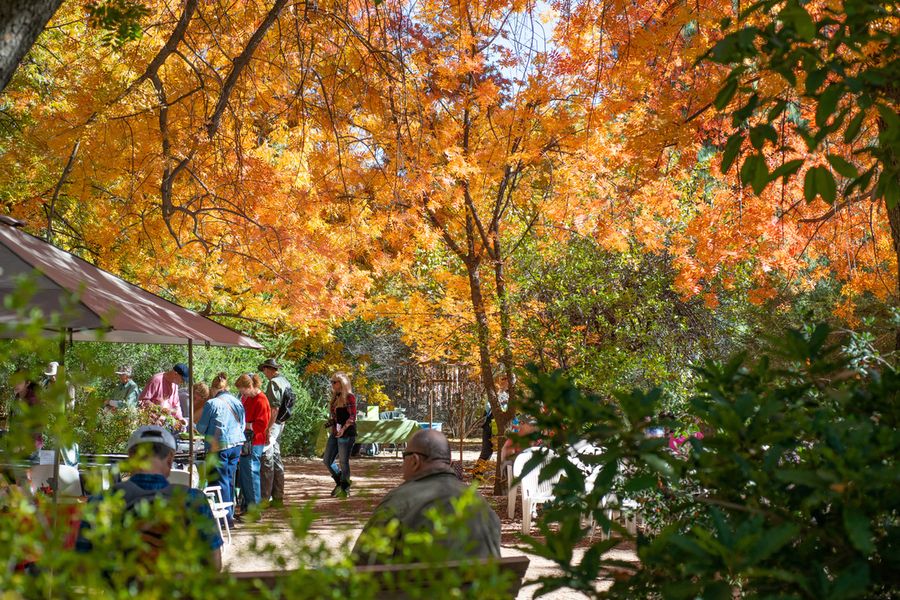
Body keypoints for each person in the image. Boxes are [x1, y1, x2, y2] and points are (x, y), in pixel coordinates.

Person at [75, 425, 223, 570]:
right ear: (170, 459)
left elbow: (82, 564)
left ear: (131, 457)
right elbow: (214, 564)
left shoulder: (102, 501)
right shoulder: (194, 500)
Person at [352, 429, 501, 565]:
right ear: (450, 463)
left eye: (404, 457)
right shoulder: (480, 504)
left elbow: (361, 564)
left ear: (415, 461)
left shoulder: (398, 501)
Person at [195, 372, 244, 524]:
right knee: (229, 480)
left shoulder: (212, 403)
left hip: (219, 446)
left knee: (218, 482)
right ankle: (228, 515)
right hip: (236, 445)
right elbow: (242, 424)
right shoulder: (237, 402)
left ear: (213, 388)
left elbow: (201, 428)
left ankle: (223, 519)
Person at [258, 358, 295, 507]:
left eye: (264, 370)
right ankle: (278, 496)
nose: (264, 373)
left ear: (269, 369)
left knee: (267, 459)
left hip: (274, 424)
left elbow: (274, 408)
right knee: (276, 457)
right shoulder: (285, 381)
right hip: (281, 423)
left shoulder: (273, 383)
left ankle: (265, 499)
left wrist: (267, 428)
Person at [235, 373, 270, 515]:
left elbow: (262, 425)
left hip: (254, 442)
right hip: (246, 441)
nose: (241, 393)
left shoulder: (261, 400)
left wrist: (246, 425)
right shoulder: (247, 398)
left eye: (242, 389)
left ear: (250, 386)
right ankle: (247, 506)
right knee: (245, 475)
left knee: (251, 473)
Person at [323, 372, 356, 497]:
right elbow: (337, 417)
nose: (332, 384)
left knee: (343, 461)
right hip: (335, 432)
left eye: (334, 382)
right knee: (327, 460)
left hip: (347, 434)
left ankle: (345, 488)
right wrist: (330, 423)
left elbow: (352, 417)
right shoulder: (335, 397)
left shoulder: (349, 397)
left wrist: (344, 428)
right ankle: (340, 482)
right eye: (332, 382)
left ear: (342, 383)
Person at [139, 363, 189, 430]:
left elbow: (176, 405)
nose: (182, 382)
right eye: (182, 379)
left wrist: (180, 418)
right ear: (175, 374)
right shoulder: (156, 380)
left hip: (166, 424)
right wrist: (159, 410)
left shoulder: (175, 385)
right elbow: (143, 400)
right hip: (152, 424)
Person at [479, 373, 509, 461]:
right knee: (487, 450)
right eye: (504, 379)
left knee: (503, 450)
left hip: (502, 426)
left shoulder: (509, 396)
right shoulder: (494, 393)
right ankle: (477, 474)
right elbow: (487, 407)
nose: (506, 382)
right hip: (489, 425)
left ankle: (503, 473)